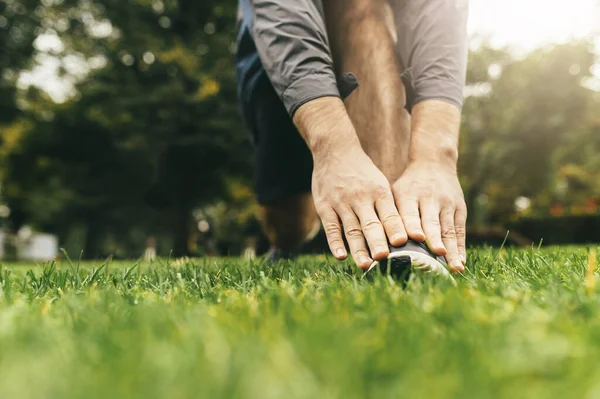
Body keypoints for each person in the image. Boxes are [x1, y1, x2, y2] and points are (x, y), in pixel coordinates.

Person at [236, 0, 468, 276]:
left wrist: (436, 156)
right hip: (277, 39)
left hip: (373, 31)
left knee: (363, 7)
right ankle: (285, 244)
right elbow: (283, 13)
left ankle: (398, 239)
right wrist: (334, 148)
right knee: (289, 225)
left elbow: (439, 12)